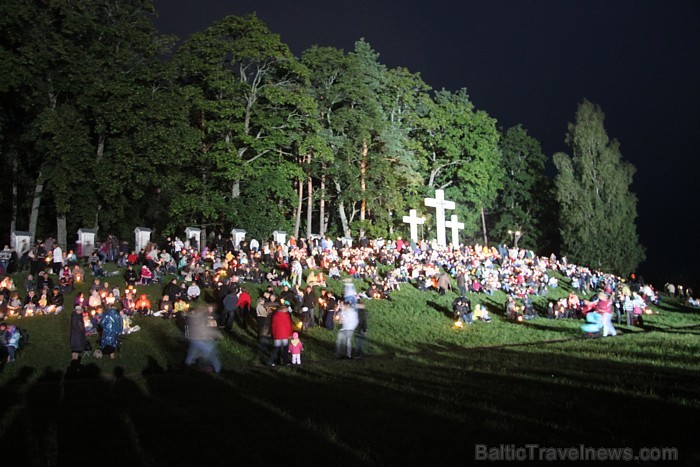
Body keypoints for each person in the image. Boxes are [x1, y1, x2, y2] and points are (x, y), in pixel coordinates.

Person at [185, 307, 222, 373]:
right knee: (209, 355)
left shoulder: (202, 320)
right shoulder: (199, 320)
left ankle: (189, 365)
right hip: (201, 340)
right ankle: (216, 369)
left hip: (201, 340)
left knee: (196, 353)